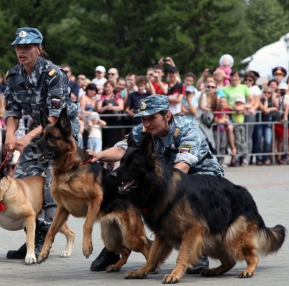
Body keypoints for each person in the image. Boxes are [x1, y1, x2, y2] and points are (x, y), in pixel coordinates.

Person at [87, 95, 221, 273]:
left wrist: (158, 190)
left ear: (167, 116)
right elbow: (121, 149)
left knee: (186, 201)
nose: (147, 123)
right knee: (126, 191)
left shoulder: (187, 129)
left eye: (152, 118)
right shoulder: (143, 131)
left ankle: (198, 253)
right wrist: (99, 156)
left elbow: (183, 166)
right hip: (166, 178)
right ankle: (115, 247)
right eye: (143, 118)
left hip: (202, 178)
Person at [3, 27, 80, 260]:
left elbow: (54, 118)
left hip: (60, 137)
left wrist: (26, 138)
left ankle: (44, 240)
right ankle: (31, 238)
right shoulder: (13, 75)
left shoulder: (54, 74)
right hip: (37, 134)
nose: (21, 51)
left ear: (39, 48)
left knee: (50, 185)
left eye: (27, 47)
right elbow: (12, 110)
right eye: (18, 47)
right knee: (23, 183)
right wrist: (10, 135)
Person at [253, 87, 277, 166]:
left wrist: (270, 108)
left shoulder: (273, 101)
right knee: (258, 141)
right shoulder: (259, 101)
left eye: (268, 93)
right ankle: (258, 159)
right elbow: (264, 110)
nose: (266, 94)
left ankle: (265, 158)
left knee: (267, 141)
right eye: (265, 92)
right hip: (259, 123)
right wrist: (266, 101)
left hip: (268, 123)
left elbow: (277, 107)